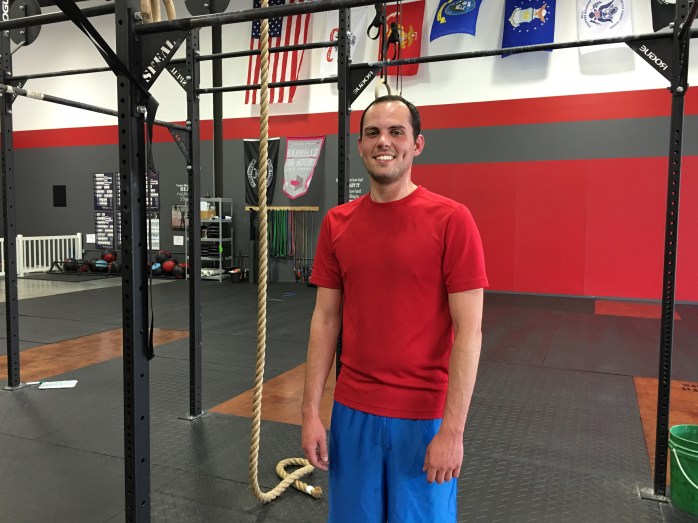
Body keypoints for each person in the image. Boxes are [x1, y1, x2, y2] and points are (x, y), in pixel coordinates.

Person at [301, 95, 488, 522]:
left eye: (396, 132)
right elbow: (325, 320)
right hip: (352, 414)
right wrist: (310, 413)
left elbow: (469, 333)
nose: (383, 141)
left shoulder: (452, 220)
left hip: (423, 419)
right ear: (360, 146)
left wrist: (452, 431)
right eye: (372, 133)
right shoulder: (336, 224)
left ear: (417, 144)